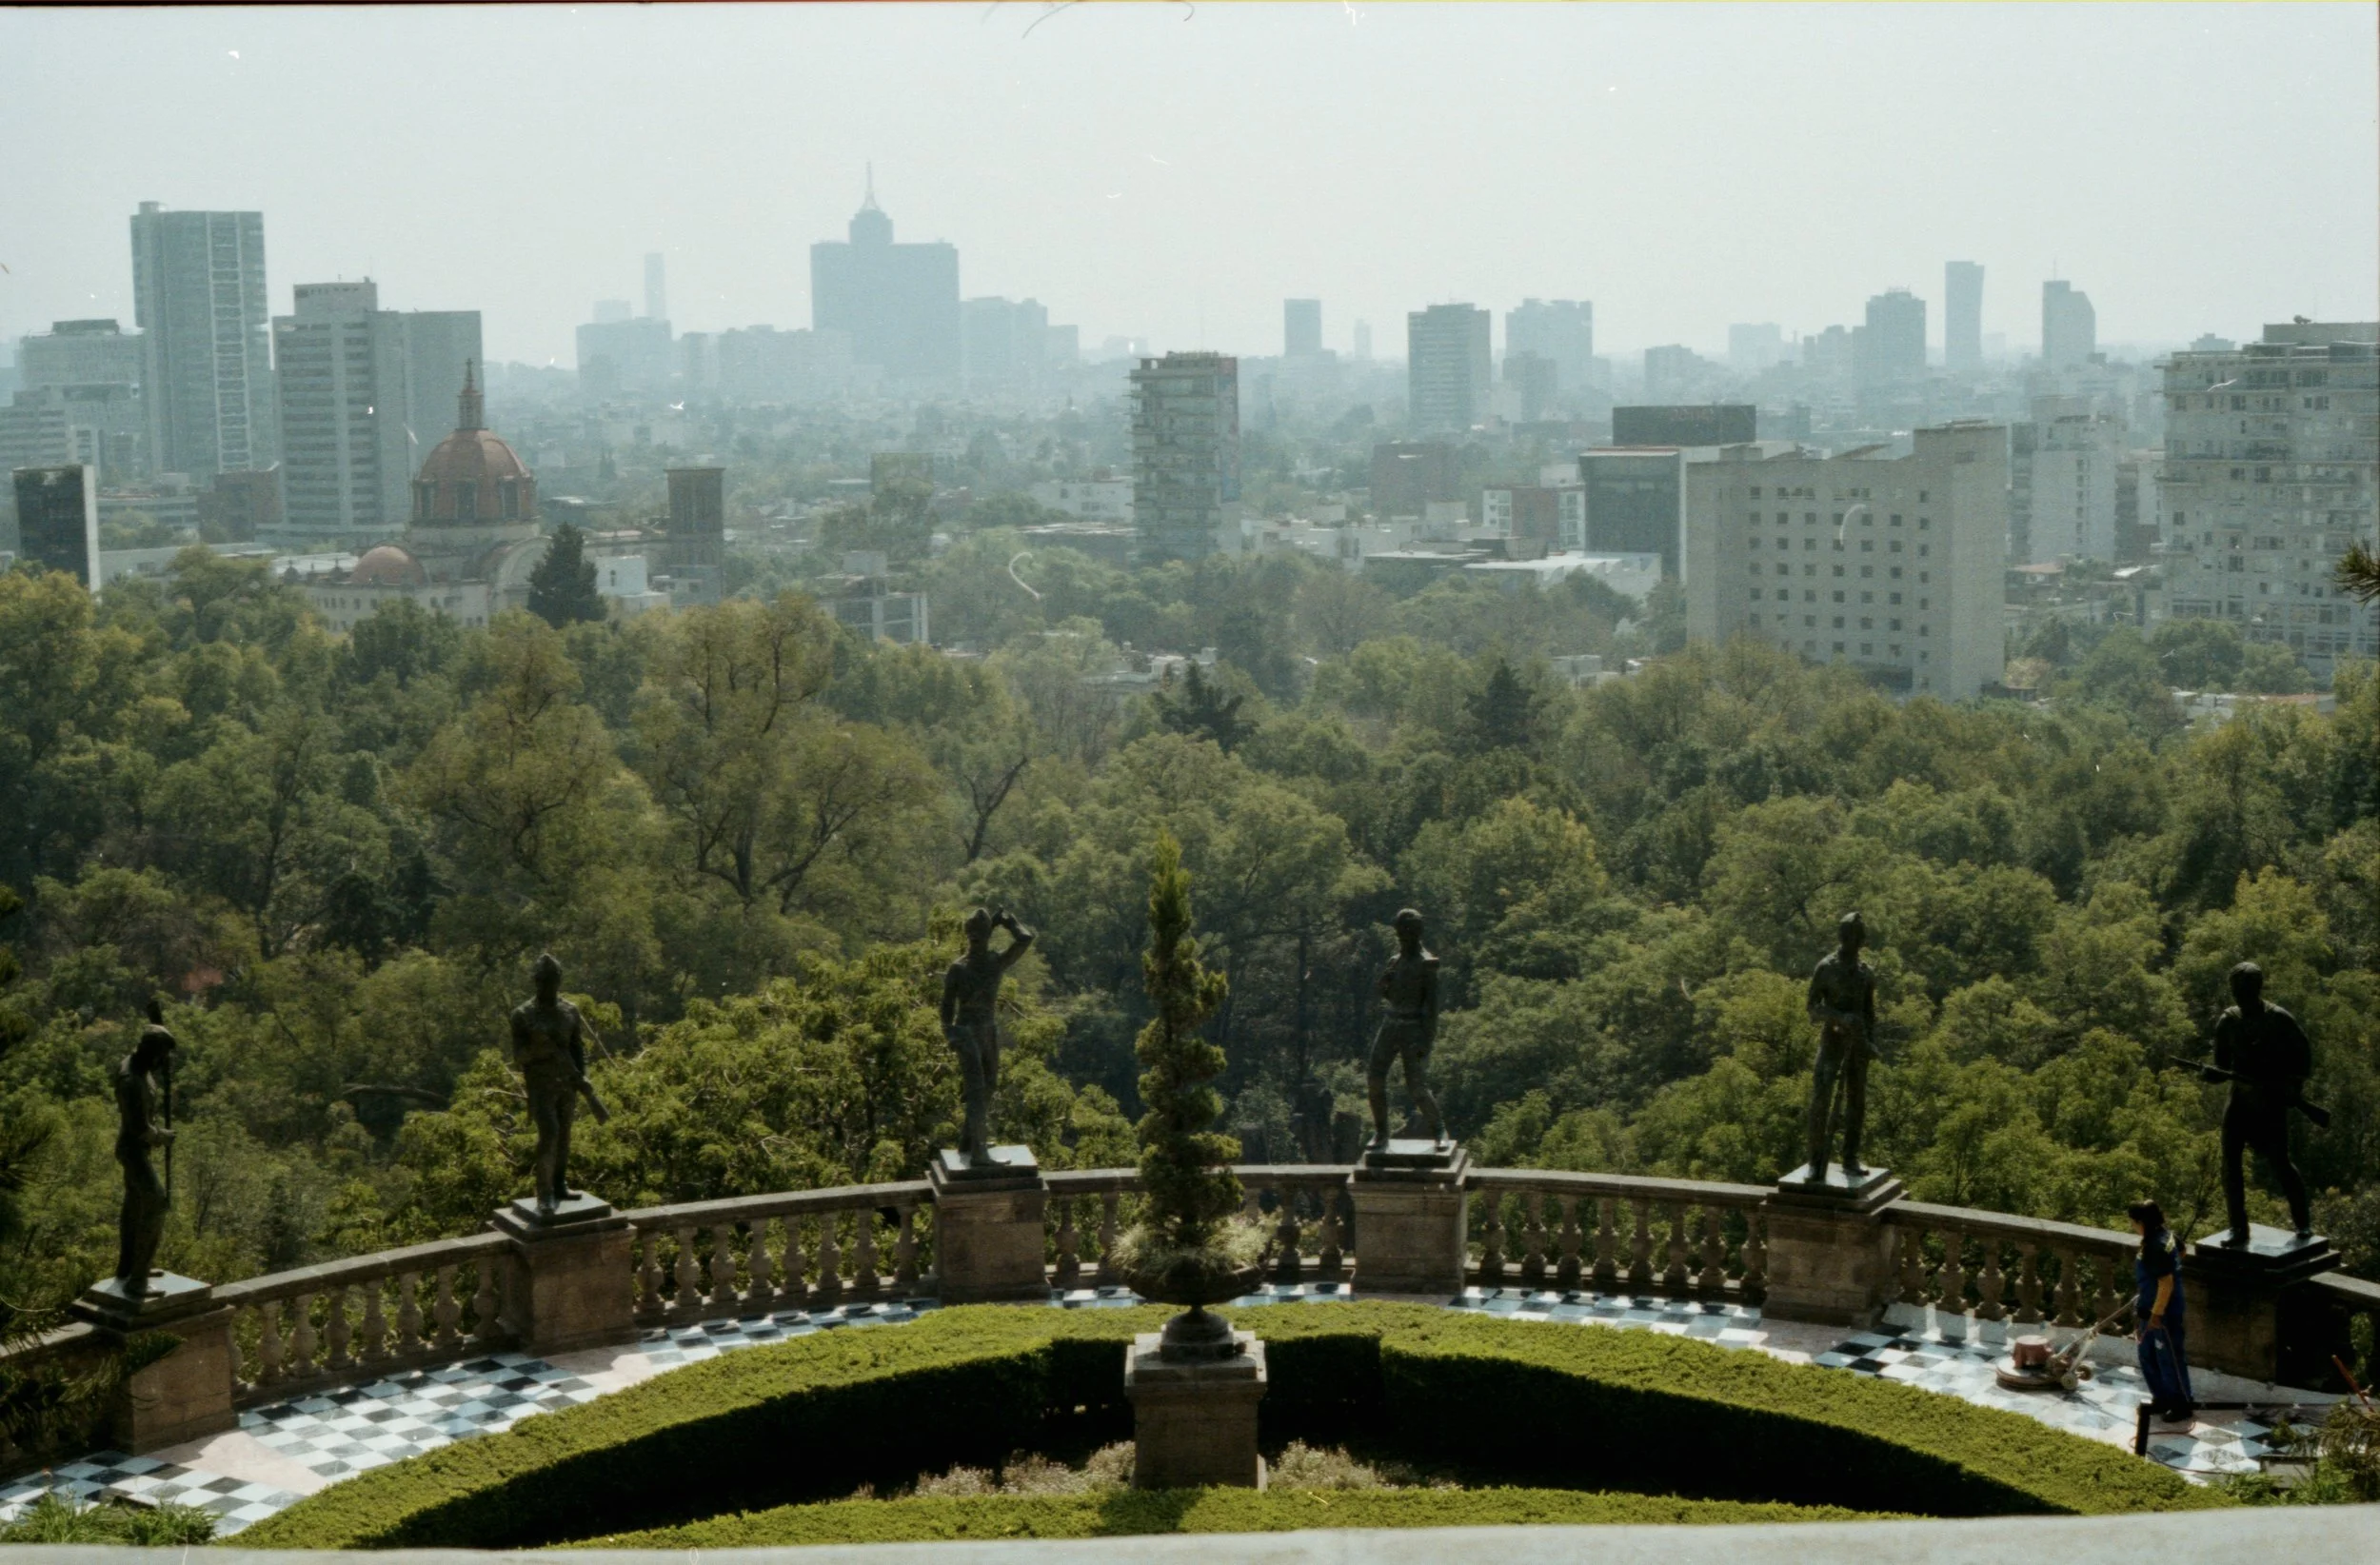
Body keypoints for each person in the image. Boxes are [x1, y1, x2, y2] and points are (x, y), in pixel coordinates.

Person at [2206, 961, 2315, 1245]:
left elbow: (2303, 1058)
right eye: (2236, 990)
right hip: (2239, 1101)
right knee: (2230, 1164)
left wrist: (2292, 1088)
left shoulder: (2279, 1019)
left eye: (2244, 990)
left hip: (2270, 1102)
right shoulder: (2228, 1022)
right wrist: (2212, 1075)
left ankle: (2303, 1224)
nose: (2239, 995)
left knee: (2280, 1163)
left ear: (2256, 989)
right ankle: (2238, 1228)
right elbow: (2221, 1067)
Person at [508, 953, 608, 1215]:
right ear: (535, 981)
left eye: (551, 980)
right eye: (542, 980)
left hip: (568, 1082)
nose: (547, 985)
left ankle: (560, 1183)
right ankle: (545, 1193)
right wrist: (537, 1050)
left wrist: (582, 1078)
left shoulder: (570, 1011)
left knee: (565, 1136)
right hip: (541, 1085)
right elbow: (519, 1056)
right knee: (549, 1134)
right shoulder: (522, 1015)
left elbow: (577, 1048)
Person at [941, 907, 1034, 1166]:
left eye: (978, 937)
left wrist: (1006, 920)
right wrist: (950, 1032)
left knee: (989, 1084)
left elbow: (1026, 940)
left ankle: (969, 1141)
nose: (975, 941)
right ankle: (979, 1152)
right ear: (970, 937)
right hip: (968, 1031)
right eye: (973, 937)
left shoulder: (994, 962)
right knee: (976, 1089)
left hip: (988, 1030)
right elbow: (947, 1006)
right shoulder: (959, 968)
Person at [1803, 911, 1880, 1179]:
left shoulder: (1866, 973)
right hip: (1832, 1040)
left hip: (1857, 1043)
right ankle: (1815, 1160)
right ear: (1842, 937)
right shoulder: (1826, 968)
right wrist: (1839, 1017)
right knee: (1821, 1100)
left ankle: (1850, 1158)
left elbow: (1870, 1013)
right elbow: (1812, 1008)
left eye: (1858, 938)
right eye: (1849, 937)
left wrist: (1869, 1041)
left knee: (1856, 1102)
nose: (1853, 943)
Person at [111, 1001, 178, 1296]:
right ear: (151, 1053)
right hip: (134, 1150)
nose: (162, 1062)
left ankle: (129, 1265)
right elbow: (141, 1129)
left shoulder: (139, 1064)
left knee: (134, 1206)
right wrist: (163, 1136)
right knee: (155, 1203)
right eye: (161, 1056)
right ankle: (138, 1280)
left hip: (137, 1150)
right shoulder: (131, 1081)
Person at [1366, 908, 1445, 1149]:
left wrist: (1426, 1040)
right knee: (1374, 1079)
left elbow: (1431, 1008)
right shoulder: (1395, 961)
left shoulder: (1427, 964)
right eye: (1399, 934)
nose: (1401, 938)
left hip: (1413, 1028)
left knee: (1417, 1087)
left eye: (1405, 934)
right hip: (1391, 1024)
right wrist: (1385, 986)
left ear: (1416, 933)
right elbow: (1390, 995)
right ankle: (1382, 1133)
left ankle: (1439, 1130)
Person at [2128, 1199, 2194, 1424]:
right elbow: (2182, 1252)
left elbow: (2166, 1283)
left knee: (2169, 1359)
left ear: (2140, 1222)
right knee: (2147, 1355)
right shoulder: (2165, 1236)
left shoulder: (2156, 1246)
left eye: (2133, 1222)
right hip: (2148, 1308)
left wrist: (2157, 1313)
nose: (2132, 1225)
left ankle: (2181, 1404)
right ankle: (2162, 1398)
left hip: (2162, 1314)